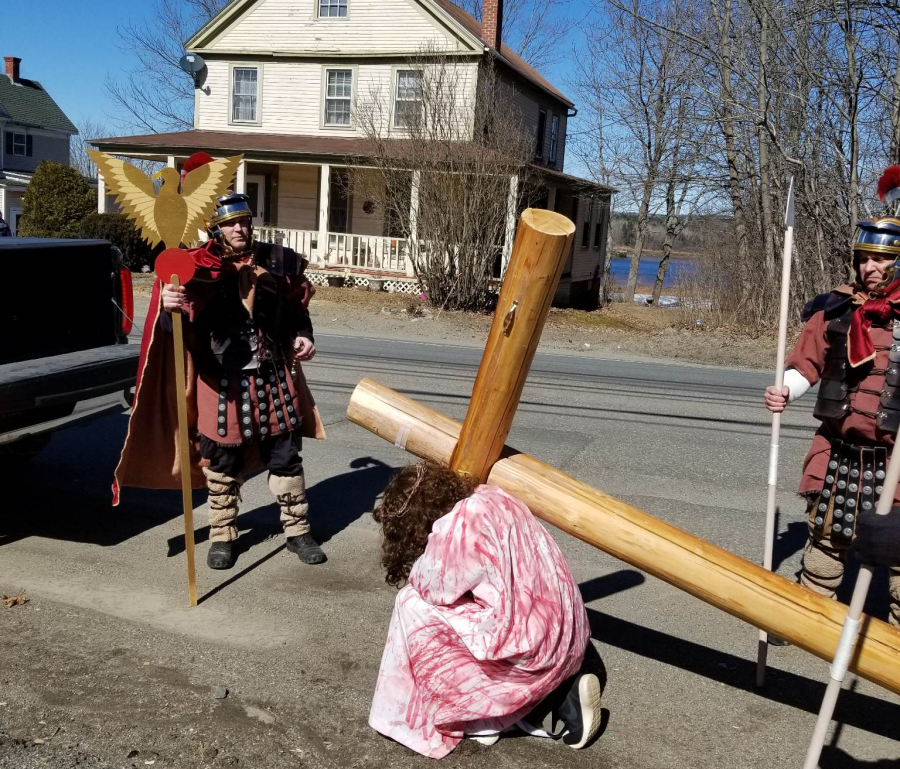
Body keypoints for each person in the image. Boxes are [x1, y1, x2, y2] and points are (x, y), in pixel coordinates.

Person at [112, 152, 326, 570]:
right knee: (222, 462)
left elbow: (297, 309)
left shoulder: (276, 261)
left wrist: (303, 335)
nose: (240, 229)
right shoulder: (193, 267)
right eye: (231, 223)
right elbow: (176, 330)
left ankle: (298, 533)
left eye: (245, 221)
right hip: (220, 380)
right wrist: (170, 307)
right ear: (215, 227)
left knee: (286, 456)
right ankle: (224, 536)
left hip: (273, 373)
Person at [368, 461, 603, 759]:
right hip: (570, 638)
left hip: (534, 655)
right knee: (470, 605)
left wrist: (428, 548)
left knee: (410, 603)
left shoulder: (456, 528)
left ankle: (478, 715)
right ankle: (547, 697)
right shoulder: (494, 496)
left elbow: (431, 587)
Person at [764, 212, 900, 628]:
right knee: (826, 539)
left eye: (880, 259)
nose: (869, 268)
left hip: (896, 460)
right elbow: (807, 364)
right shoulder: (835, 308)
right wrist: (786, 388)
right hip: (839, 450)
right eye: (864, 258)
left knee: (898, 555)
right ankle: (810, 619)